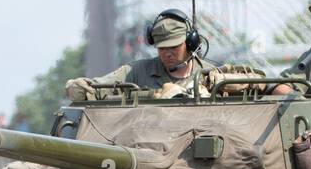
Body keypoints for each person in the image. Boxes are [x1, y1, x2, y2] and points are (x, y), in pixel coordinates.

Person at [65, 9, 217, 101]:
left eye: (174, 47)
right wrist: (78, 89)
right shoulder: (136, 72)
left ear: (190, 42)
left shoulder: (211, 76)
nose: (167, 53)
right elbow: (90, 89)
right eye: (162, 48)